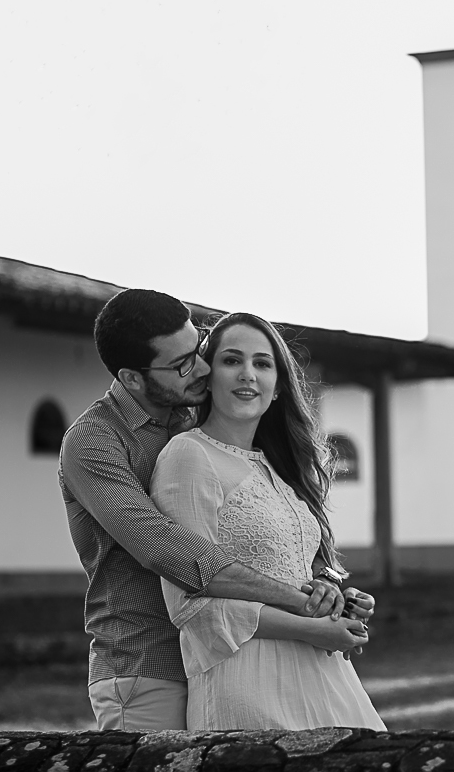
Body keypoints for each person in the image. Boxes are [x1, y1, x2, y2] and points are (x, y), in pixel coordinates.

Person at [59, 289, 372, 731]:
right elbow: (165, 550)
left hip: (232, 654)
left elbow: (261, 539)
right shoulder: (94, 442)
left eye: (199, 348)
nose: (204, 368)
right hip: (149, 665)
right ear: (132, 379)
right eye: (184, 363)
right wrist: (303, 605)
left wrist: (326, 587)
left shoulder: (190, 419)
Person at [150, 312, 385, 730]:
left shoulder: (278, 466)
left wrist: (334, 598)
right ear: (207, 376)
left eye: (262, 363)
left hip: (323, 674)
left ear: (278, 387)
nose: (248, 374)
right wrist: (309, 629)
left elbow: (293, 571)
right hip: (247, 679)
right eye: (231, 360)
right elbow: (189, 604)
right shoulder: (188, 456)